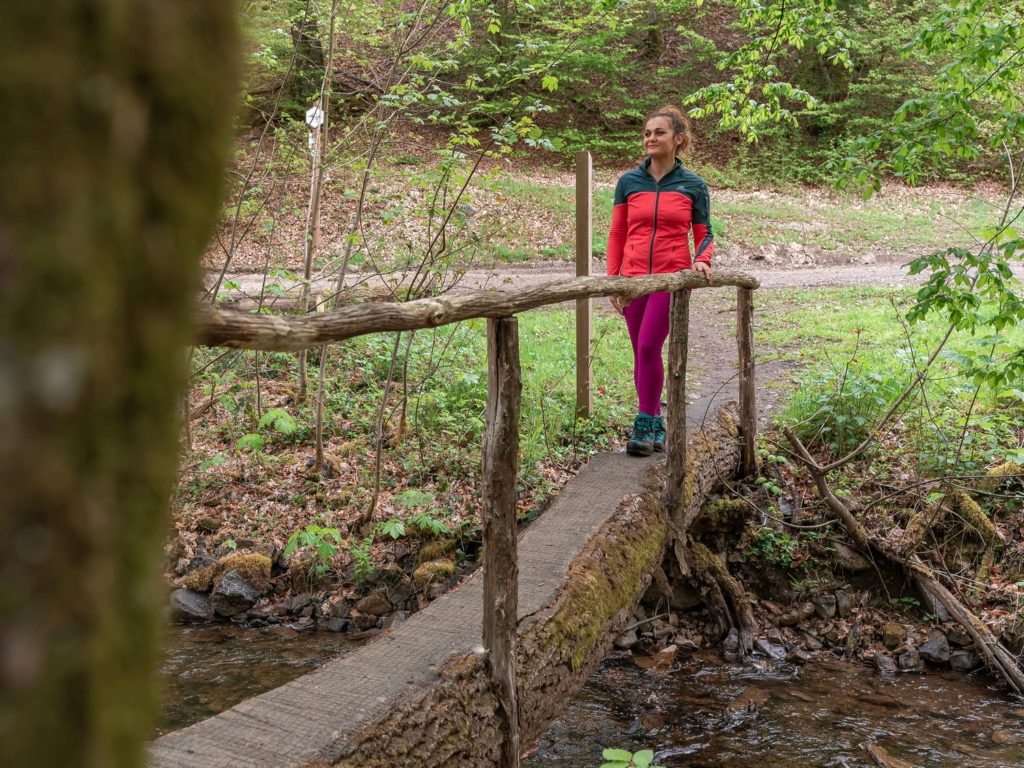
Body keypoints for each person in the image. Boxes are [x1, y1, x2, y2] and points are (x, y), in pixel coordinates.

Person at [607, 105, 714, 457]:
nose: (650, 138)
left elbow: (704, 233)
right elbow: (617, 232)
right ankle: (654, 423)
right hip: (633, 278)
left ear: (677, 139)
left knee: (650, 346)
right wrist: (613, 278)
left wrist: (702, 260)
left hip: (671, 279)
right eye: (647, 133)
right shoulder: (629, 182)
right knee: (640, 351)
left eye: (659, 133)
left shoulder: (693, 185)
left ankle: (644, 422)